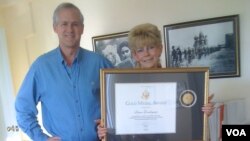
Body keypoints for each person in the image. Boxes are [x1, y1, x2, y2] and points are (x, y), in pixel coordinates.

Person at [97, 23, 214, 141]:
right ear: (135, 55)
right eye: (140, 50)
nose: (146, 54)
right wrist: (105, 131)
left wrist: (203, 112)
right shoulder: (123, 84)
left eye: (151, 47)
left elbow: (183, 114)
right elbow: (118, 122)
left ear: (160, 49)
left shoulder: (175, 79)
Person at [15, 2, 113, 141]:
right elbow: (23, 110)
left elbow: (119, 103)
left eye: (75, 24)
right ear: (55, 28)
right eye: (64, 24)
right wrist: (41, 138)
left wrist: (111, 126)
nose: (70, 29)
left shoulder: (100, 63)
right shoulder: (41, 67)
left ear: (82, 28)